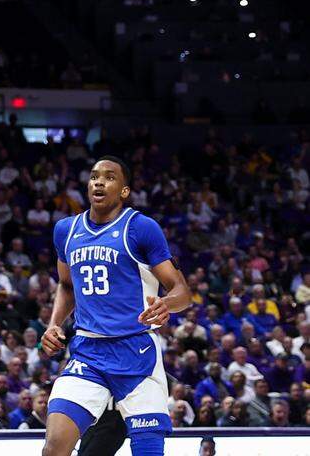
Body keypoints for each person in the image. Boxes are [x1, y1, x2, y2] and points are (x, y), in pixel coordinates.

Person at [42, 157, 191, 456]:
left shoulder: (141, 228)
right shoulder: (66, 230)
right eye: (94, 176)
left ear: (124, 191)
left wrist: (166, 305)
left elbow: (181, 291)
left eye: (109, 178)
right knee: (55, 447)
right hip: (88, 352)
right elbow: (67, 285)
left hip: (135, 351)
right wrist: (54, 323)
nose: (99, 182)